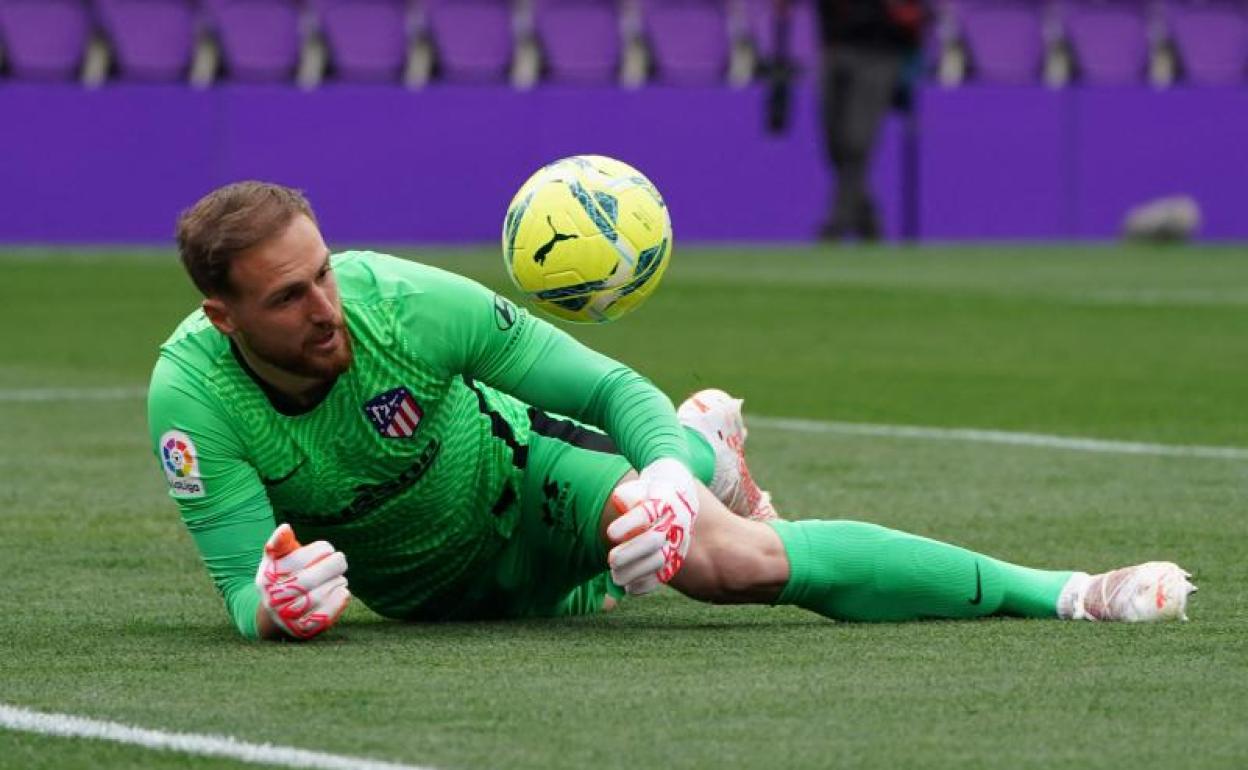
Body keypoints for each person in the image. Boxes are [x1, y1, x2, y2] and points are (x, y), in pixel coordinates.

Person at [147, 181, 1195, 641]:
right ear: (223, 312)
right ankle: (708, 440)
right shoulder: (191, 398)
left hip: (530, 484)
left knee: (731, 562)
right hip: (458, 605)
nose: (326, 306)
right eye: (288, 296)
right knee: (624, 582)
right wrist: (277, 607)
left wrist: (657, 481)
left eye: (324, 272)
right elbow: (246, 585)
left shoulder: (404, 302)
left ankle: (1066, 592)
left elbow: (605, 389)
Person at [792, 0, 928, 241]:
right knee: (834, 147)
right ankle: (868, 221)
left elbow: (917, 14)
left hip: (879, 52)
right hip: (834, 48)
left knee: (857, 141)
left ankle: (835, 224)